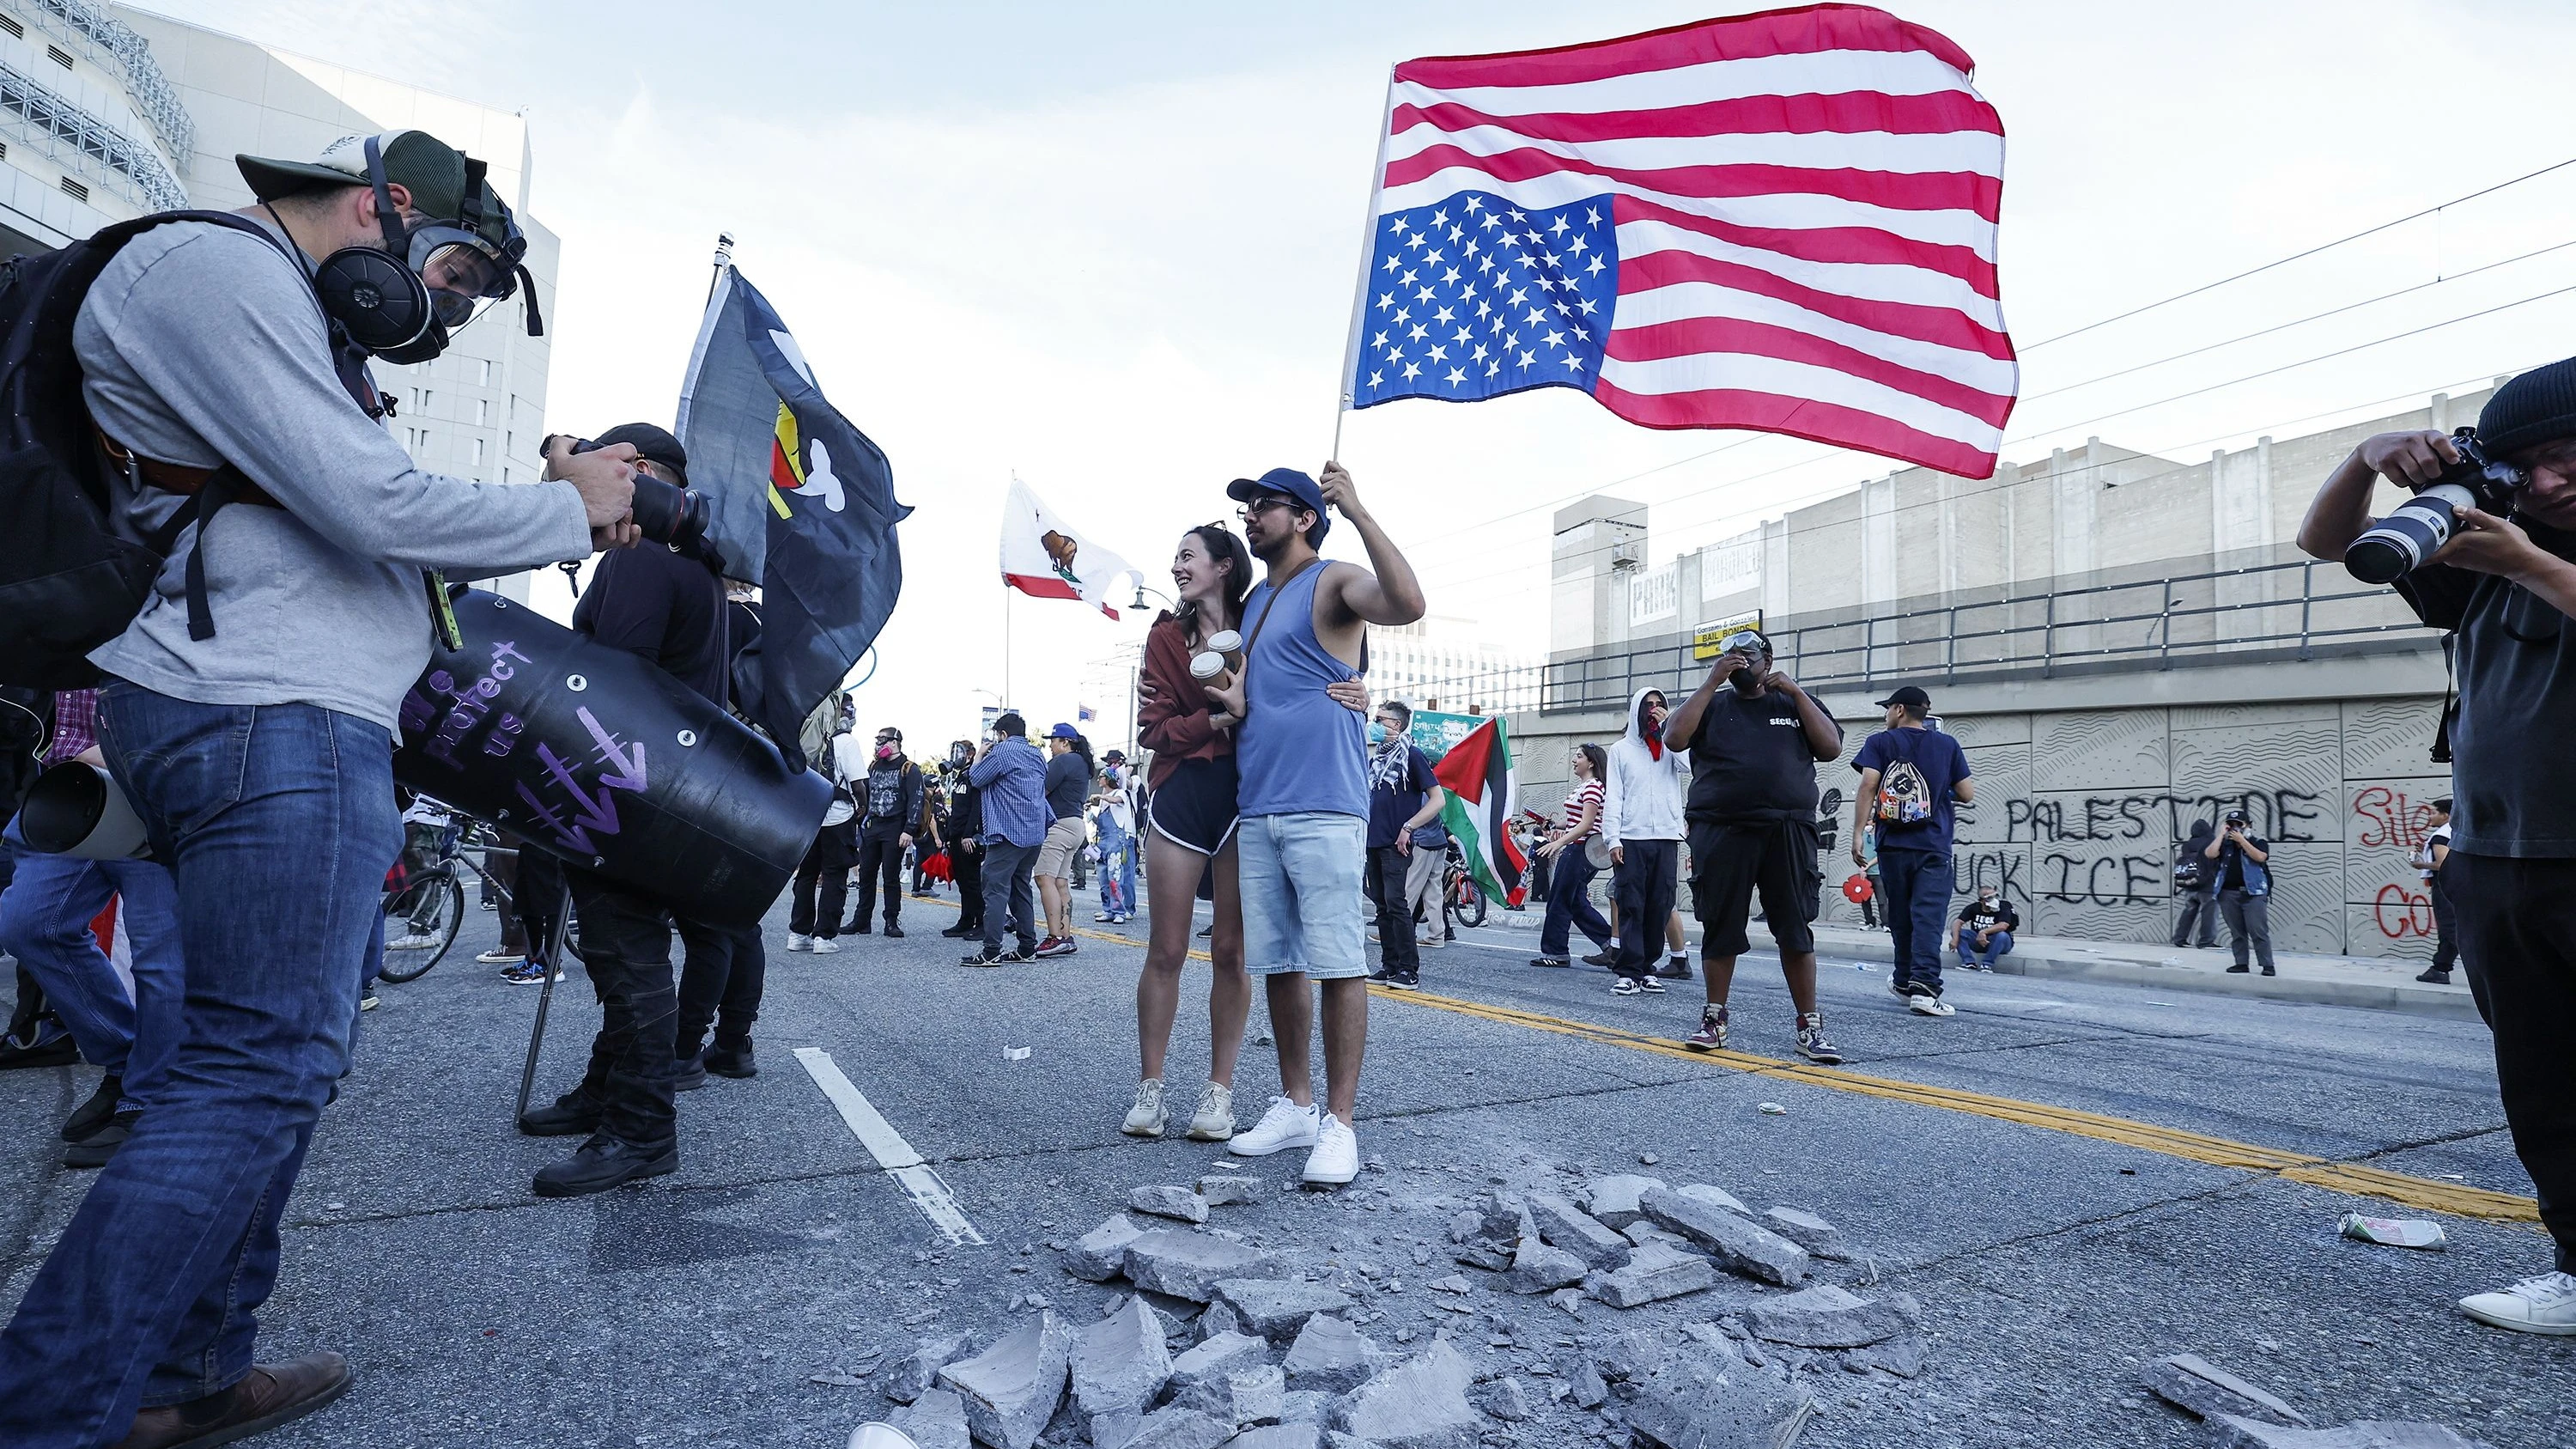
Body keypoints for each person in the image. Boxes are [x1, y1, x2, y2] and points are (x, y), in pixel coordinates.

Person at [0, 131, 635, 1445]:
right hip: (267, 716)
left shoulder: (270, 311)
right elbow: (373, 501)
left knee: (270, 1066)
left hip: (280, 712)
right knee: (253, 1069)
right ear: (378, 207)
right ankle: (44, 1409)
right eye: (453, 272)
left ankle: (193, 1369)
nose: (447, 307)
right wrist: (566, 505)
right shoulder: (213, 271)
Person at [2294, 365, 2576, 1333]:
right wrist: (2368, 456)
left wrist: (2527, 563)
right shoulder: (2485, 553)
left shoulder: (2515, 559)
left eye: (2572, 455)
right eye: (2533, 463)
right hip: (2498, 858)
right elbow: (2326, 542)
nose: (2553, 480)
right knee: (2543, 1082)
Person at [519, 421, 733, 1192]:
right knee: (626, 949)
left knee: (625, 954)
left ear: (637, 471)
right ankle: (608, 1091)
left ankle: (640, 1128)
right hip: (657, 788)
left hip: (622, 789)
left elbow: (610, 682)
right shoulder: (694, 562)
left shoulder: (643, 557)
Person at [1205, 462, 1424, 1186]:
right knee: (1281, 961)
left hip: (1326, 801)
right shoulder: (1259, 598)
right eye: (1247, 506)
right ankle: (1296, 1104)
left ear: (1303, 515)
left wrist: (1357, 507)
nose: (1250, 515)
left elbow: (1408, 600)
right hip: (1260, 801)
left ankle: (1340, 1123)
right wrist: (1238, 701)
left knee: (1338, 961)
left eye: (1265, 505)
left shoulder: (1332, 580)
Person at [0, 687, 185, 1169]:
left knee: (161, 959)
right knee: (29, 926)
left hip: (148, 787)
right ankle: (127, 1064)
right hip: (66, 788)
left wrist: (128, 744)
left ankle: (152, 1099)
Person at [1127, 523, 1255, 1141]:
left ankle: (1218, 1093)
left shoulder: (1260, 624)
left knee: (1231, 951)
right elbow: (1153, 729)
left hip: (1246, 795)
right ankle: (1150, 1089)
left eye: (1188, 556)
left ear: (1224, 565)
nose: (1177, 566)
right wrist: (1216, 716)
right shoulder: (1162, 637)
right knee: (1167, 950)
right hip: (1180, 794)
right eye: (1175, 556)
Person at [1662, 631, 1845, 1061]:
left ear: (1769, 659)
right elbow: (1673, 739)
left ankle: (1810, 1027)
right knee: (1721, 926)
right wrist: (1710, 682)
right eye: (1733, 658)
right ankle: (1714, 1019)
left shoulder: (1793, 701)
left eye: (1750, 655)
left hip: (1788, 831)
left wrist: (1797, 692)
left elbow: (1831, 747)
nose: (1741, 663)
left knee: (1795, 928)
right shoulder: (1713, 703)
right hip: (1722, 829)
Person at [1850, 685, 1974, 1017]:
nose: (1886, 714)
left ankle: (1905, 980)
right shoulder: (1947, 745)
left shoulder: (1879, 742)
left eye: (1888, 708)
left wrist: (1858, 834)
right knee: (1928, 917)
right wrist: (1938, 789)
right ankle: (1924, 987)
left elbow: (1868, 786)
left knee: (1901, 916)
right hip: (1933, 845)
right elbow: (1967, 793)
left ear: (1900, 709)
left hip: (1892, 846)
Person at [1601, 688, 1689, 997]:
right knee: (1632, 904)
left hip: (1666, 836)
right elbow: (1614, 797)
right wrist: (1613, 838)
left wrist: (1669, 728)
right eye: (1648, 705)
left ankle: (1648, 968)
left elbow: (1690, 765)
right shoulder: (1621, 750)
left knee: (1660, 905)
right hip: (1631, 838)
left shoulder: (1671, 746)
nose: (1654, 710)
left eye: (1659, 705)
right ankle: (1628, 970)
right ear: (1637, 710)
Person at [1363, 700, 1445, 991]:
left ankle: (1409, 970)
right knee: (1382, 907)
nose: (1374, 722)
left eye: (1380, 718)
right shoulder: (1377, 760)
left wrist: (1409, 827)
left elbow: (1438, 800)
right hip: (1373, 841)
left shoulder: (1412, 755)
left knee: (1398, 905)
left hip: (1395, 844)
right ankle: (1390, 965)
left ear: (1395, 725)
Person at [962, 713, 1048, 966]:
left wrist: (978, 756)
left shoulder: (1001, 752)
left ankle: (991, 950)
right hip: (1034, 833)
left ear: (1002, 734)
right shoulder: (1037, 755)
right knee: (1021, 887)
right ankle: (1027, 947)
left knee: (995, 889)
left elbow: (976, 778)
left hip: (1008, 832)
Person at [787, 693, 861, 955]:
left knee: (806, 875)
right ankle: (824, 937)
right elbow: (858, 784)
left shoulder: (807, 734)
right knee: (834, 877)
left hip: (809, 816)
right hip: (838, 818)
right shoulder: (846, 742)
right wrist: (860, 808)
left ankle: (798, 933)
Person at [1530, 744, 1613, 968]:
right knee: (1574, 901)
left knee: (1559, 900)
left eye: (1579, 756)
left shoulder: (1593, 787)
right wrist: (1555, 824)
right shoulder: (1585, 786)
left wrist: (1558, 842)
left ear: (1591, 763)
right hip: (1579, 848)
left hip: (1581, 850)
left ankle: (1556, 952)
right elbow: (1578, 820)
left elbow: (1587, 824)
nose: (1574, 760)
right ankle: (1611, 946)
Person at [844, 726, 926, 939]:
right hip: (873, 826)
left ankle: (891, 920)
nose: (879, 743)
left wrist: (909, 830)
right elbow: (867, 794)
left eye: (883, 739)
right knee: (866, 874)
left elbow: (916, 801)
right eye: (877, 739)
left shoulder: (909, 769)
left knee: (890, 876)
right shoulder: (874, 766)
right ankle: (862, 921)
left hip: (895, 828)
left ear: (895, 742)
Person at [1031, 725, 1093, 957]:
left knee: (1043, 878)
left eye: (1053, 741)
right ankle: (1065, 937)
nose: (1050, 745)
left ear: (1065, 742)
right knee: (1060, 882)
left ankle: (1054, 937)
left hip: (1058, 825)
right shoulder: (1082, 764)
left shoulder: (1062, 762)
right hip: (1076, 825)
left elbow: (1040, 791)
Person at [2202, 807, 2275, 977]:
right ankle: (2241, 963)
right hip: (2228, 893)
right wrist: (2221, 835)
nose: (2235, 828)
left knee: (2258, 930)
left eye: (2239, 824)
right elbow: (2210, 854)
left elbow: (2260, 857)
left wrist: (2242, 841)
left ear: (2248, 825)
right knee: (2237, 931)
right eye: (2231, 825)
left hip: (2253, 893)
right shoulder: (2225, 846)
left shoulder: (2258, 842)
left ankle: (2267, 965)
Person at [941, 743, 987, 941]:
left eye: (959, 752)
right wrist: (949, 838)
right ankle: (966, 920)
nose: (955, 756)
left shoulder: (975, 775)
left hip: (969, 836)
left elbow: (977, 807)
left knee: (973, 882)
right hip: (956, 836)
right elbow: (957, 810)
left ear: (970, 754)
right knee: (962, 882)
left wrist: (969, 834)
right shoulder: (960, 775)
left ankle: (981, 923)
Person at [2412, 796, 2458, 985]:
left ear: (2445, 815)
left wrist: (2420, 864)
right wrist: (2427, 848)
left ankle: (2490, 964)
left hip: (2443, 886)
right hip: (2456, 886)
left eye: (2433, 812)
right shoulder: (2453, 831)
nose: (2430, 816)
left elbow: (2442, 864)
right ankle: (2440, 968)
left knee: (2451, 928)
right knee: (2450, 930)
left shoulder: (2440, 835)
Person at [1092, 752, 1137, 925]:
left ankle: (1119, 910)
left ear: (1108, 779)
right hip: (1103, 842)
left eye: (1101, 777)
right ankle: (1108, 909)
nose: (1099, 780)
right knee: (1103, 876)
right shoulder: (1104, 800)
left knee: (1115, 876)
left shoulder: (1121, 793)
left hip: (1116, 841)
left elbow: (1116, 799)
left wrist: (1102, 797)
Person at [2171, 819, 2220, 948]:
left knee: (2188, 911)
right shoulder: (2210, 842)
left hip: (2190, 883)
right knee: (2209, 914)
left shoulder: (2187, 845)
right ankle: (2206, 941)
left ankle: (2179, 938)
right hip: (2207, 885)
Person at [1953, 885, 2018, 971]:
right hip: (1979, 941)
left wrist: (1983, 932)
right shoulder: (1973, 908)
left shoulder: (2004, 906)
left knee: (2002, 935)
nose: (1994, 900)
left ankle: (1987, 964)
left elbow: (2003, 925)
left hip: (1999, 943)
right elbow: (1958, 922)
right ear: (1982, 900)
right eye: (1990, 898)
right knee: (1959, 932)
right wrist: (1955, 939)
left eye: (1996, 896)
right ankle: (1969, 962)